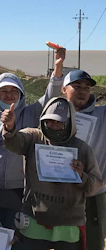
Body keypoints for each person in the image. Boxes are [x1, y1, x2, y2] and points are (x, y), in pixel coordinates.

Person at [0, 49, 66, 232]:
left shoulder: (31, 113)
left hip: (21, 190)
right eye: (3, 91)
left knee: (16, 235)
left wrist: (58, 69)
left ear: (21, 94)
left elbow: (50, 97)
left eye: (14, 91)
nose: (9, 95)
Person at [2, 97, 103, 249]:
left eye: (59, 122)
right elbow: (14, 142)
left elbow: (95, 186)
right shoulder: (34, 137)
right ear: (43, 120)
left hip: (68, 224)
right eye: (50, 121)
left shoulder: (82, 149)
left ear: (69, 122)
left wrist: (82, 176)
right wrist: (9, 127)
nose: (54, 126)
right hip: (35, 220)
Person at [60, 69, 106, 250]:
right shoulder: (56, 116)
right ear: (64, 89)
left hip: (94, 193)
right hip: (63, 193)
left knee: (94, 242)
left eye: (86, 88)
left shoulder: (102, 115)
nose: (82, 91)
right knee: (65, 243)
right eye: (77, 86)